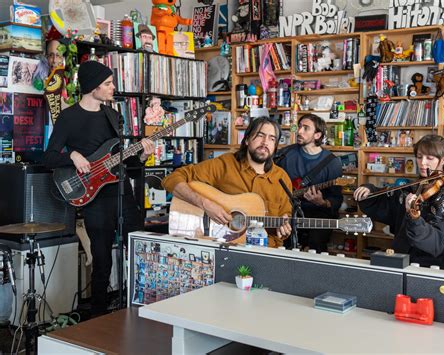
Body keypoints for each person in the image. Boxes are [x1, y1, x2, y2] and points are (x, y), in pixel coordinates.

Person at [43, 61, 154, 316]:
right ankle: (98, 316)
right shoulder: (69, 117)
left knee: (141, 250)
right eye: (107, 83)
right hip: (94, 198)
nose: (112, 87)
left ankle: (142, 309)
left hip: (122, 193)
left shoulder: (113, 116)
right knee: (101, 260)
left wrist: (143, 156)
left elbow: (126, 160)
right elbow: (48, 157)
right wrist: (72, 155)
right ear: (93, 87)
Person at [162, 117, 292, 247]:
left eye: (272, 139)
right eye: (260, 135)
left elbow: (284, 224)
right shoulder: (225, 164)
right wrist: (205, 205)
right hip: (222, 248)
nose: (265, 142)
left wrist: (284, 230)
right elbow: (172, 179)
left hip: (265, 252)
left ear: (275, 146)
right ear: (247, 139)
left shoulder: (282, 179)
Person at [354, 135, 444, 270]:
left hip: (430, 267)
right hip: (404, 260)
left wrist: (414, 217)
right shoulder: (418, 185)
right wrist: (369, 190)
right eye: (420, 157)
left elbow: (436, 243)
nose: (423, 163)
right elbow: (388, 200)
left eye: (430, 158)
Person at [277, 114, 343, 252]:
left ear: (317, 135)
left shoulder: (331, 162)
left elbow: (336, 199)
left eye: (306, 128)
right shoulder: (285, 154)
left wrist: (322, 202)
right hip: (287, 212)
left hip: (317, 215)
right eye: (299, 127)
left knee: (315, 248)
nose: (299, 131)